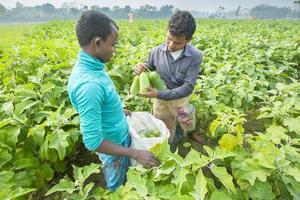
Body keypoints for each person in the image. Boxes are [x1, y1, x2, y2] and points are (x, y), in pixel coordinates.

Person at [67, 10, 160, 192]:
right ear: (97, 43)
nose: (115, 50)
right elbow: (93, 142)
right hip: (114, 152)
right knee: (118, 188)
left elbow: (101, 102)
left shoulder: (93, 66)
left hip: (118, 139)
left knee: (127, 179)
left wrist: (118, 110)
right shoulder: (89, 85)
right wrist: (135, 153)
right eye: (113, 45)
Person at [135, 10, 203, 145]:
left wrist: (159, 93)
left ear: (188, 40)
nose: (171, 45)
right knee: (163, 124)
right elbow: (150, 68)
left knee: (187, 120)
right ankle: (166, 143)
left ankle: (190, 133)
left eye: (177, 43)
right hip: (160, 100)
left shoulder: (195, 56)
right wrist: (140, 68)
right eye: (169, 39)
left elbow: (188, 87)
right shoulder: (155, 52)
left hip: (180, 98)